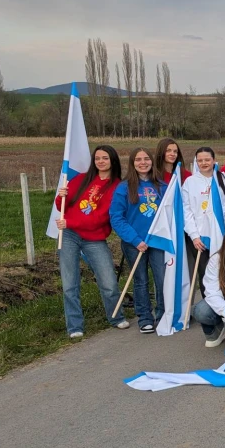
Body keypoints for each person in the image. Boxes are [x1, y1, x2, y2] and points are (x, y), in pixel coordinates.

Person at [55, 145, 128, 339]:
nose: (101, 161)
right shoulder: (81, 179)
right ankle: (74, 326)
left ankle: (115, 317)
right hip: (69, 234)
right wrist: (61, 196)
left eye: (105, 158)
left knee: (109, 282)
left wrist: (69, 221)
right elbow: (64, 206)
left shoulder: (117, 187)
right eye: (97, 158)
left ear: (113, 160)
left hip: (95, 237)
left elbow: (102, 217)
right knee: (70, 283)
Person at [110, 147, 166, 334]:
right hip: (135, 243)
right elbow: (116, 217)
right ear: (132, 163)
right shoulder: (123, 188)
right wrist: (135, 239)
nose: (143, 162)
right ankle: (145, 317)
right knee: (141, 280)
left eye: (146, 159)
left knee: (162, 278)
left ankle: (163, 314)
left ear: (152, 161)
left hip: (158, 241)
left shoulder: (162, 186)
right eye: (138, 159)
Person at [182, 146, 225, 294]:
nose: (204, 163)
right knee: (204, 272)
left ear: (214, 160)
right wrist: (194, 236)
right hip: (199, 237)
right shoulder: (190, 182)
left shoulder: (224, 179)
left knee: (224, 269)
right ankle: (208, 304)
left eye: (207, 159)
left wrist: (219, 213)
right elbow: (186, 210)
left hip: (221, 233)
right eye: (200, 160)